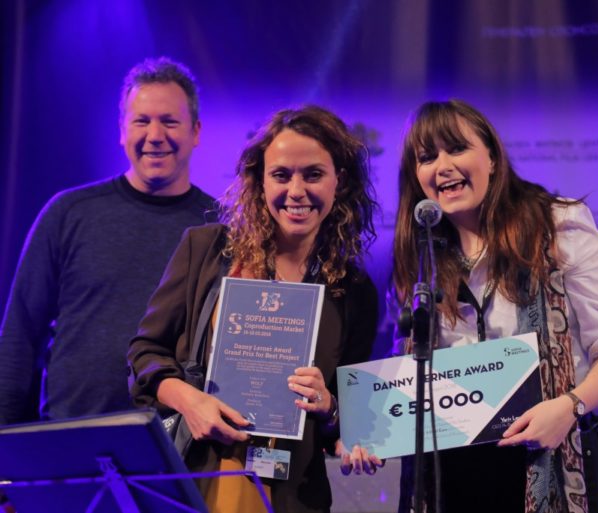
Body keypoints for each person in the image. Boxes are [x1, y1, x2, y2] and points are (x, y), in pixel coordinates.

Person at [390, 100, 598, 513]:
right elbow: (407, 374)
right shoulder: (422, 256)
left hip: (546, 454)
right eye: (427, 157)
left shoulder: (558, 226)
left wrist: (569, 407)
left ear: (491, 156)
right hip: (449, 474)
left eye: (456, 148)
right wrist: (368, 430)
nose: (443, 166)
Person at [127, 105, 380, 513]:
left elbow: (350, 414)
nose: (296, 191)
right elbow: (145, 354)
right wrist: (192, 402)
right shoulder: (206, 250)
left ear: (340, 181)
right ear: (259, 182)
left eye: (313, 174)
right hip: (198, 480)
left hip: (294, 495)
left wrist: (330, 407)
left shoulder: (354, 291)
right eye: (281, 175)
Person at [0, 57, 214, 425]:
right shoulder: (69, 213)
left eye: (169, 121)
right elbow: (19, 337)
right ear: (122, 130)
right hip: (72, 437)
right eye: (141, 121)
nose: (155, 135)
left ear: (195, 131)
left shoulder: (222, 226)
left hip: (180, 444)